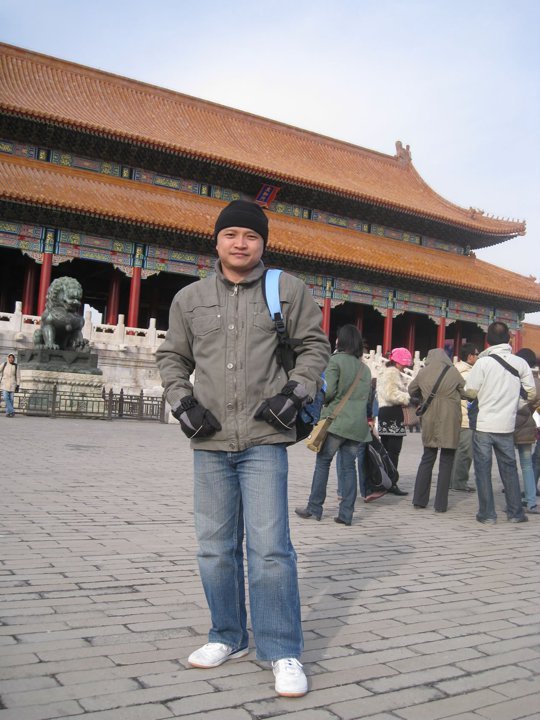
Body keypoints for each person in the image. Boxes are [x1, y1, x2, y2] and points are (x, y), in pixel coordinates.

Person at [156, 200, 330, 698]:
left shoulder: (287, 290)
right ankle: (227, 635)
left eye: (250, 236)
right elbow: (172, 356)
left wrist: (295, 392)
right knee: (214, 548)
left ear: (263, 244)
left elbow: (315, 346)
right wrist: (182, 401)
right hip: (209, 440)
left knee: (270, 549)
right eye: (230, 234)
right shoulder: (190, 299)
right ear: (216, 242)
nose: (240, 243)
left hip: (263, 440)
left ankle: (280, 648)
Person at [295, 325, 372, 526]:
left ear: (341, 341)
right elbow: (368, 398)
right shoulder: (364, 369)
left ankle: (314, 508)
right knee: (349, 468)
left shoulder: (335, 361)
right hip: (357, 425)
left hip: (336, 422)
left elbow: (328, 392)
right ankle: (346, 514)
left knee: (323, 462)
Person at [464, 321, 535, 525]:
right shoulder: (520, 363)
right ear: (508, 339)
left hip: (484, 424)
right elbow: (531, 393)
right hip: (506, 424)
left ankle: (487, 514)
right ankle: (515, 513)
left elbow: (470, 391)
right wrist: (515, 404)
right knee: (509, 469)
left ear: (488, 340)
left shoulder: (482, 363)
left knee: (483, 470)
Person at [409, 348, 465, 512]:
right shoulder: (453, 372)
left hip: (430, 418)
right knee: (447, 461)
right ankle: (440, 504)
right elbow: (465, 391)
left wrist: (423, 396)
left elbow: (411, 390)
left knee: (427, 457)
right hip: (450, 419)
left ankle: (419, 500)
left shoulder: (423, 372)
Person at [375, 347, 411, 494]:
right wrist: (408, 398)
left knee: (386, 450)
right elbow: (391, 394)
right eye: (404, 363)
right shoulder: (392, 373)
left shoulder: (385, 371)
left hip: (385, 412)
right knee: (393, 452)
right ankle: (391, 483)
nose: (405, 366)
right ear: (398, 362)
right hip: (392, 413)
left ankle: (385, 481)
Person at [450, 342, 480, 492]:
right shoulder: (468, 374)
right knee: (465, 452)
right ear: (470, 356)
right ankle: (459, 482)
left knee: (455, 451)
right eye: (477, 354)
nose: (478, 357)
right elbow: (472, 395)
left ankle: (451, 481)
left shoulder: (455, 370)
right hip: (466, 417)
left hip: (455, 416)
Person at [514, 348, 540, 514]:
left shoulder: (515, 378)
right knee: (527, 464)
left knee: (509, 463)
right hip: (528, 426)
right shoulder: (537, 381)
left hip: (511, 424)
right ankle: (531, 501)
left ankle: (513, 499)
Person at [0, 353, 20, 417]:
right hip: (5, 384)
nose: (11, 359)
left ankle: (8, 413)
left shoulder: (16, 366)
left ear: (14, 359)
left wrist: (18, 385)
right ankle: (12, 411)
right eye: (10, 357)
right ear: (8, 358)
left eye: (12, 358)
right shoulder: (4, 364)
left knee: (11, 399)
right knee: (6, 398)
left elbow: (18, 376)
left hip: (12, 385)